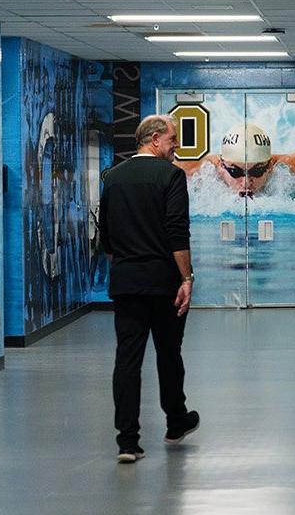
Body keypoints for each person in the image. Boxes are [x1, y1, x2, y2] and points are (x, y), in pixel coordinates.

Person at [99, 115, 200, 463]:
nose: (176, 146)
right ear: (155, 139)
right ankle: (175, 421)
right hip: (163, 283)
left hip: (126, 282)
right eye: (172, 139)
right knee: (169, 354)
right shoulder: (171, 176)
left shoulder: (111, 178)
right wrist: (186, 278)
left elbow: (107, 239)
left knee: (127, 360)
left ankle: (127, 442)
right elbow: (177, 232)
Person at [176, 122, 295, 198]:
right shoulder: (198, 172)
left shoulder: (288, 166)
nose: (246, 182)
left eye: (256, 171)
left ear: (269, 165)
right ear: (221, 166)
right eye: (235, 171)